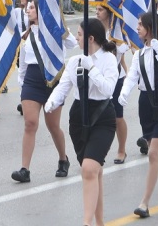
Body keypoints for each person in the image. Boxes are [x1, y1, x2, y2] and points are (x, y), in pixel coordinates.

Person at [43, 18, 118, 226]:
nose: (76, 37)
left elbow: (108, 90)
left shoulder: (109, 60)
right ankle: (99, 222)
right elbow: (64, 86)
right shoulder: (75, 61)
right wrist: (52, 102)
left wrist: (91, 68)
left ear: (90, 38)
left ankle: (86, 222)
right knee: (93, 172)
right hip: (79, 117)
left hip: (102, 117)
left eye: (79, 34)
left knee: (88, 169)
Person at [119, 12, 158, 217]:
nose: (137, 28)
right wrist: (123, 94)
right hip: (146, 104)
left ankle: (144, 203)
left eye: (140, 24)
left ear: (150, 27)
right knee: (157, 153)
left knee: (153, 153)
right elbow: (132, 77)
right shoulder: (139, 54)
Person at [12, 0, 75, 184]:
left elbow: (72, 43)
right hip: (32, 79)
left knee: (52, 125)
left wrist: (59, 26)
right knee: (30, 123)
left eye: (32, 7)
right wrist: (22, 83)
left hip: (52, 78)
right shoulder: (26, 35)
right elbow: (22, 63)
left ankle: (63, 159)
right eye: (28, 8)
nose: (28, 10)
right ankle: (25, 169)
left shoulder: (55, 31)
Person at [95, 5, 129, 164]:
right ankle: (97, 152)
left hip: (115, 79)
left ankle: (122, 150)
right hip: (98, 77)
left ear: (109, 12)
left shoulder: (117, 31)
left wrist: (126, 71)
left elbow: (121, 50)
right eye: (96, 9)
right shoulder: (96, 29)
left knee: (117, 116)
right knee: (97, 116)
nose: (97, 12)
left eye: (100, 9)